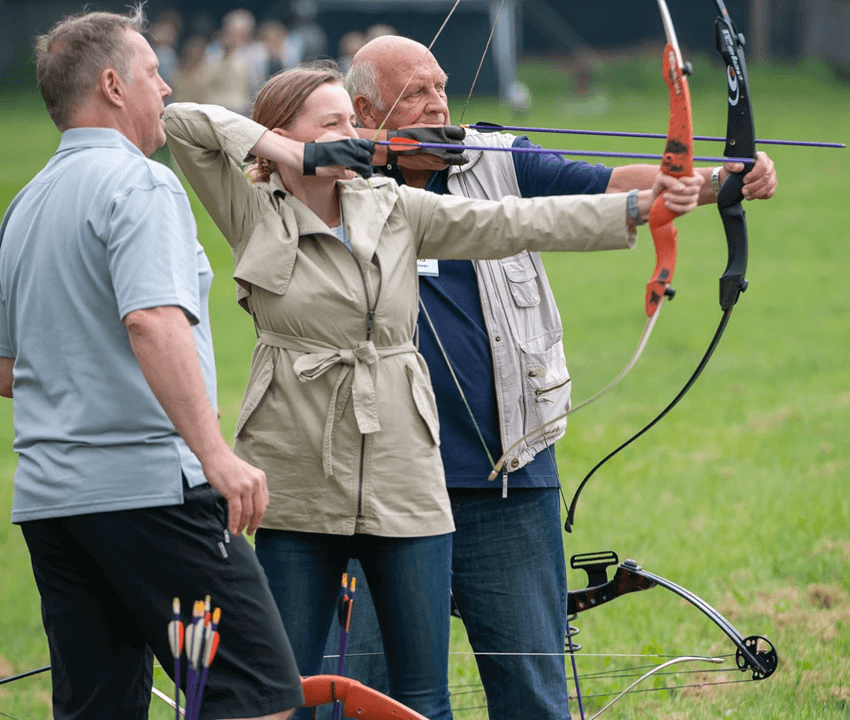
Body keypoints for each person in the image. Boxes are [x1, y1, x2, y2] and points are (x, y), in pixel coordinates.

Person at [162, 63, 702, 720]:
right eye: (331, 124)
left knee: (422, 700)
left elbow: (513, 222)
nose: (352, 134)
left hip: (403, 479)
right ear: (284, 136)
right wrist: (283, 152)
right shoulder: (250, 211)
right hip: (297, 476)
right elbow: (182, 122)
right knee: (288, 693)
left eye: (352, 122)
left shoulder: (392, 206)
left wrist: (640, 207)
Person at [321, 34, 779, 720]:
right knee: (370, 699)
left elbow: (603, 186)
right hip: (377, 485)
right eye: (416, 93)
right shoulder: (325, 183)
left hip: (508, 473)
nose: (439, 101)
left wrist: (716, 181)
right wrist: (343, 157)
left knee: (533, 693)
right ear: (364, 110)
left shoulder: (493, 157)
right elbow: (243, 158)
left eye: (441, 86)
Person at [0, 8, 309, 719]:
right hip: (152, 492)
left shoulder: (25, 202)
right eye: (152, 73)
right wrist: (215, 457)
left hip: (52, 505)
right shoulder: (142, 184)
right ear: (112, 84)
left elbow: (8, 365)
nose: (167, 88)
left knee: (100, 709)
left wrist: (80, 386)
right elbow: (152, 321)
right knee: (258, 694)